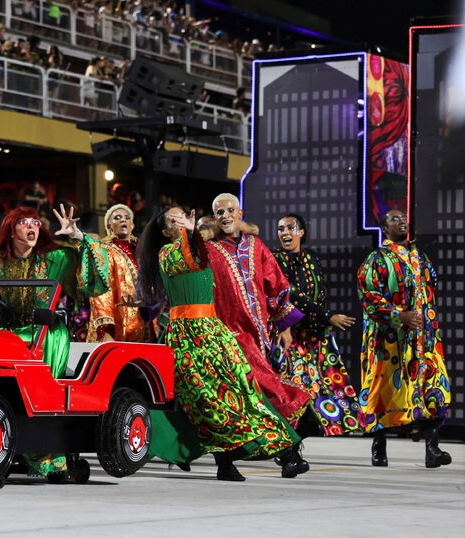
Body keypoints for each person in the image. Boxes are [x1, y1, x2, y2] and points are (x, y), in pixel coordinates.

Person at [138, 206, 298, 481]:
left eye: (183, 215)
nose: (182, 220)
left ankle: (286, 450)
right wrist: (191, 235)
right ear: (166, 232)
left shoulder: (204, 250)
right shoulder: (168, 254)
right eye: (174, 220)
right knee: (207, 401)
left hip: (214, 333)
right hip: (186, 337)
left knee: (244, 392)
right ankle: (225, 462)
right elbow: (190, 261)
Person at [0, 204, 108, 480]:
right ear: (11, 230)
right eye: (24, 222)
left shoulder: (56, 258)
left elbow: (93, 279)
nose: (31, 227)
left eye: (36, 223)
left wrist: (79, 237)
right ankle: (6, 446)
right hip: (8, 334)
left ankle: (50, 458)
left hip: (46, 333)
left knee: (39, 392)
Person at [205, 193, 310, 477]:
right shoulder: (208, 250)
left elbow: (276, 285)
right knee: (232, 398)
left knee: (262, 393)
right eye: (219, 211)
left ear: (240, 212)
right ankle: (233, 462)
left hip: (256, 336)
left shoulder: (256, 246)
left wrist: (284, 326)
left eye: (230, 209)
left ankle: (285, 455)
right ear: (214, 218)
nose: (225, 215)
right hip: (224, 336)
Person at [357, 210, 451, 469]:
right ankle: (379, 445)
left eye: (403, 218)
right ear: (384, 229)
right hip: (389, 341)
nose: (402, 221)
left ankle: (432, 449)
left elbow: (430, 287)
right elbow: (369, 296)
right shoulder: (376, 259)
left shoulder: (419, 256)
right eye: (394, 219)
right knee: (385, 391)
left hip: (423, 339)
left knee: (431, 387)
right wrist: (400, 316)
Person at [271, 214, 361, 437]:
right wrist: (327, 316)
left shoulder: (311, 258)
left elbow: (319, 294)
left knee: (325, 389)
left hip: (313, 337)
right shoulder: (274, 259)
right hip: (288, 335)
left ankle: (293, 448)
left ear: (301, 232)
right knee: (290, 391)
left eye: (290, 228)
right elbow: (291, 292)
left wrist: (323, 325)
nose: (284, 233)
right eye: (281, 228)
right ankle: (287, 447)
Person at [88, 204, 149, 343]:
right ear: (109, 226)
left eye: (127, 218)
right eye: (117, 218)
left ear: (132, 226)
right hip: (117, 328)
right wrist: (105, 330)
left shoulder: (142, 254)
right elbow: (100, 291)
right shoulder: (104, 251)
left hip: (143, 325)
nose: (123, 220)